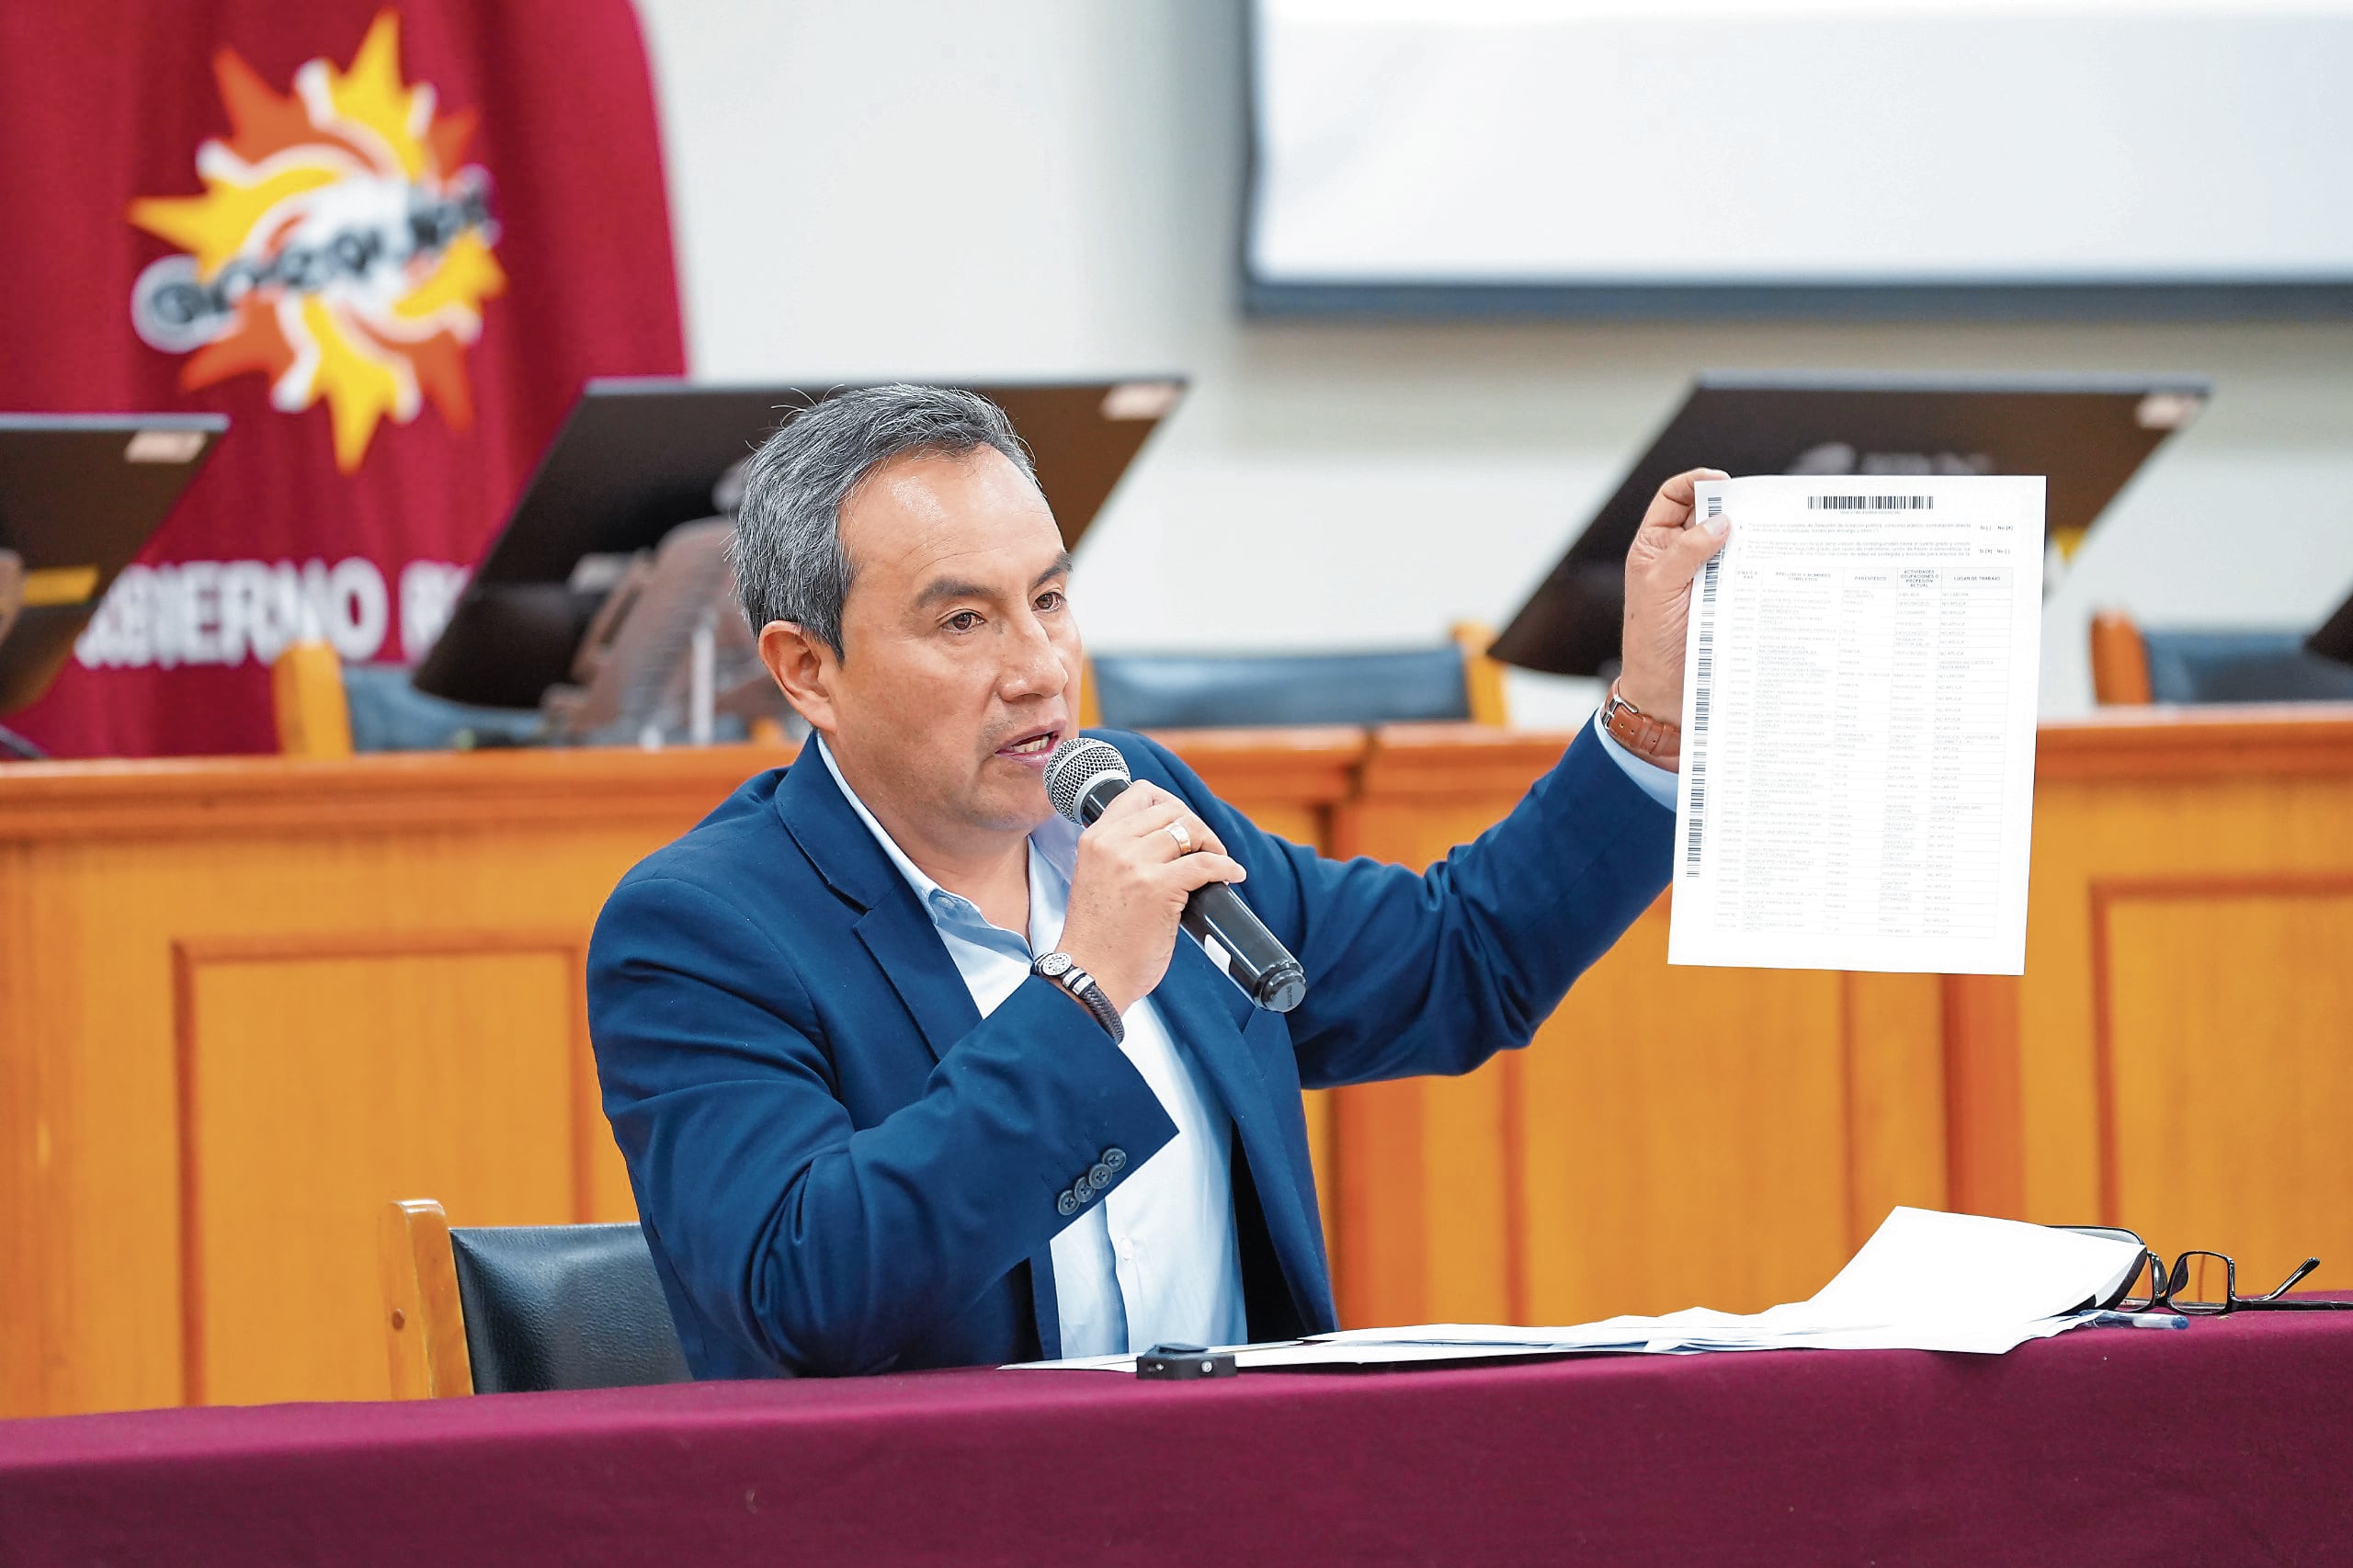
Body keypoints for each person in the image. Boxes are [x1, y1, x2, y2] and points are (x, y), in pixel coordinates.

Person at [585, 385, 1726, 1378]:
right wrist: (1084, 991)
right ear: (806, 669)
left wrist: (1654, 711)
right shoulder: (701, 929)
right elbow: (811, 1291)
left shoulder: (1131, 802)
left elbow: (1461, 962)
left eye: (1048, 599)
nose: (1036, 669)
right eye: (964, 620)